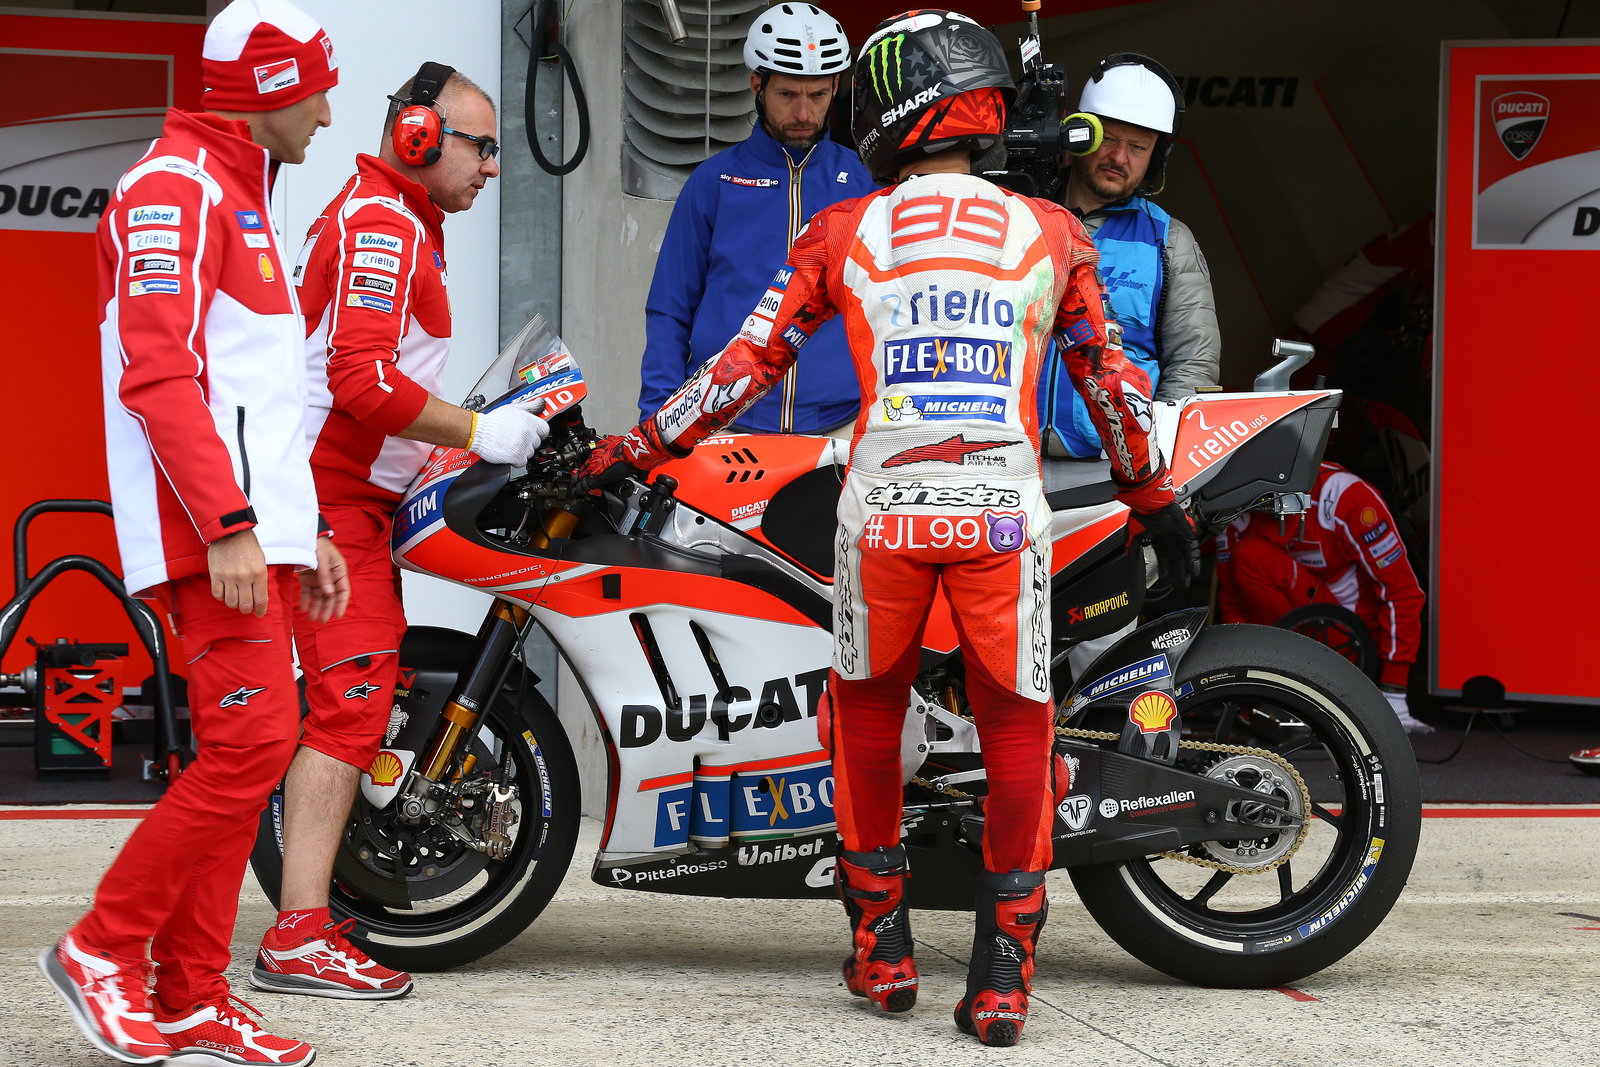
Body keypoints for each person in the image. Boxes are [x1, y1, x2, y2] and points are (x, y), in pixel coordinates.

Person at [577, 10, 1199, 1047]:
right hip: (1003, 513)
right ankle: (1003, 973)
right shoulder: (1052, 231)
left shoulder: (843, 229)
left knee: (863, 721)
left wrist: (637, 445)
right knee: (1014, 729)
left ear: (894, 106)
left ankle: (883, 951)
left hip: (883, 515)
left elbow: (738, 366)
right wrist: (1153, 500)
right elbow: (1115, 389)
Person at [39, 2, 346, 1064]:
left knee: (245, 754)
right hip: (207, 537)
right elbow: (159, 374)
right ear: (265, 86)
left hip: (252, 537)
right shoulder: (176, 186)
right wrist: (228, 525)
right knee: (252, 748)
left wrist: (302, 529)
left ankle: (191, 993)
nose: (325, 104)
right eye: (312, 82)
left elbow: (254, 391)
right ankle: (101, 949)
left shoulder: (240, 190)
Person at [250, 62, 547, 1001]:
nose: (493, 167)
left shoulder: (402, 219)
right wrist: (475, 431)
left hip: (346, 496)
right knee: (348, 702)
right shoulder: (383, 225)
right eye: (482, 145)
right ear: (419, 136)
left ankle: (310, 915)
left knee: (352, 698)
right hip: (328, 499)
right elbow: (362, 383)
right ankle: (298, 936)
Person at [636, 2, 876, 435]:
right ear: (757, 86)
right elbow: (670, 309)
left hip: (842, 424)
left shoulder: (868, 183)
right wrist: (657, 420)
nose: (803, 114)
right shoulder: (713, 181)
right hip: (723, 422)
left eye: (818, 95)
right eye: (787, 95)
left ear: (836, 86)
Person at [1040, 52, 1220, 458]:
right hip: (1007, 459)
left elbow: (1192, 366)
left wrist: (1153, 462)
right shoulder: (1018, 216)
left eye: (1138, 147)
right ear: (1080, 133)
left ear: (1156, 158)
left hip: (1112, 472)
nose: (1120, 158)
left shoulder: (1170, 241)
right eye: (1110, 139)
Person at [1216, 461, 1433, 734]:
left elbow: (1402, 593)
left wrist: (1394, 693)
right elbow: (1232, 602)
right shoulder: (1234, 505)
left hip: (1354, 641)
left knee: (1251, 556)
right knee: (1249, 558)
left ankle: (1301, 682)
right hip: (1300, 632)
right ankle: (1275, 683)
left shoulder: (1347, 498)